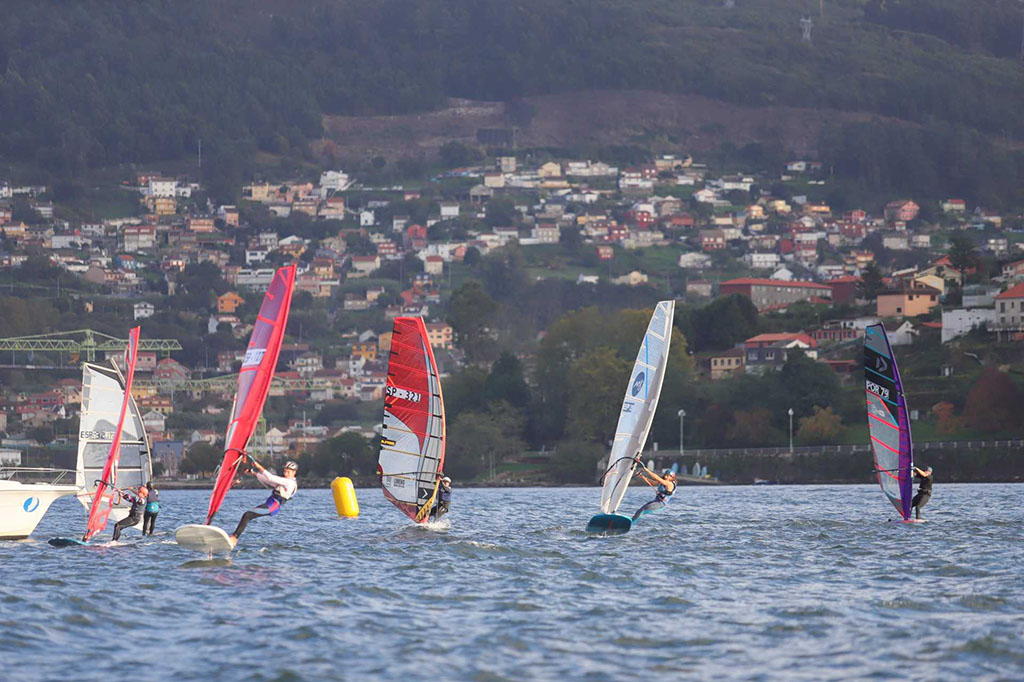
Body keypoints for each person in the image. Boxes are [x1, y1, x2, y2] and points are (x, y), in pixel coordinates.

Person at [228, 459, 298, 548]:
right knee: (247, 515)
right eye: (285, 471)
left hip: (272, 507)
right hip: (271, 504)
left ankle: (234, 538)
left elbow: (271, 478)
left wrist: (259, 466)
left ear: (294, 472)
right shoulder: (286, 481)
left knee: (247, 515)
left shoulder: (290, 482)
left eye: (288, 472)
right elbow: (268, 481)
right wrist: (254, 473)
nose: (285, 474)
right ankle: (234, 537)